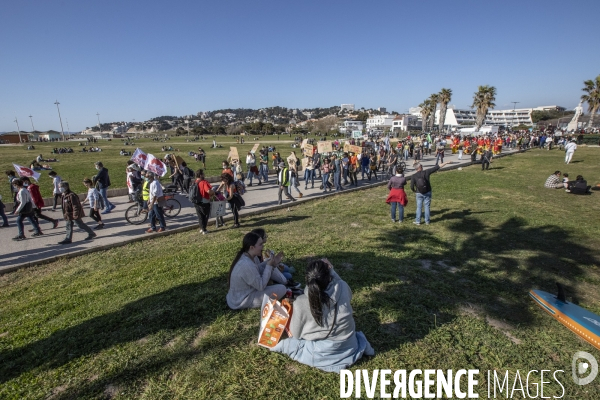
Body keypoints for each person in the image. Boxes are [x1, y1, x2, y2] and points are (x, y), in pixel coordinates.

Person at [271, 259, 374, 373]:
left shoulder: (301, 302)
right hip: (349, 345)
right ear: (329, 276)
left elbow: (296, 334)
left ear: (307, 279)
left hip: (323, 352)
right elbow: (339, 285)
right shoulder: (343, 286)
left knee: (283, 344)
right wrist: (332, 271)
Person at [226, 231, 288, 309]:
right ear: (252, 247)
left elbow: (258, 268)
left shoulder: (249, 256)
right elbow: (261, 286)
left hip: (243, 294)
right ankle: (285, 282)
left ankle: (284, 281)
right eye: (260, 244)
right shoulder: (246, 264)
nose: (263, 247)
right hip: (243, 300)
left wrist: (271, 263)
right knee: (282, 289)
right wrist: (269, 265)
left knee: (269, 269)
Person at [192, 169, 214, 234]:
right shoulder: (204, 182)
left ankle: (202, 228)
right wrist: (213, 192)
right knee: (205, 216)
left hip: (196, 201)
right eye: (203, 173)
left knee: (200, 216)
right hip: (204, 201)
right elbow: (208, 191)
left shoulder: (195, 182)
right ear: (201, 175)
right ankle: (204, 229)